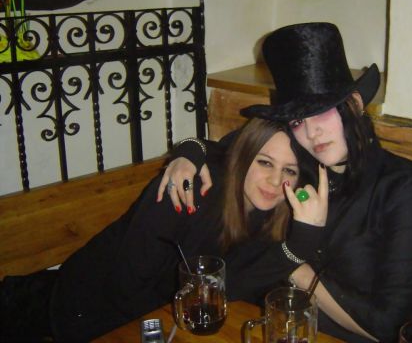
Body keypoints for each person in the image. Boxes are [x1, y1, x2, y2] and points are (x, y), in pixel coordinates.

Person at [159, 22, 412, 343]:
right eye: (297, 120)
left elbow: (391, 327)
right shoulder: (298, 165)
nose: (310, 133)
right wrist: (188, 152)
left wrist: (296, 267)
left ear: (354, 104)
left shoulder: (406, 187)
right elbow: (230, 149)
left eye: (321, 112)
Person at [0, 118, 303, 342]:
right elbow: (125, 283)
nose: (275, 181)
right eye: (265, 163)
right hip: (78, 305)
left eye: (289, 170)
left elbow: (234, 286)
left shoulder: (269, 217)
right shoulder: (188, 191)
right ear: (242, 157)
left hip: (148, 317)